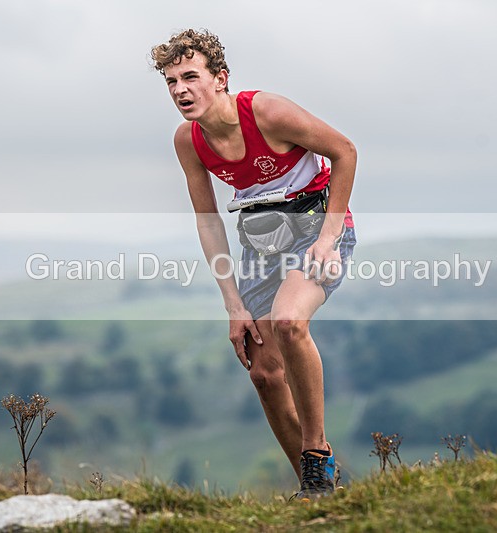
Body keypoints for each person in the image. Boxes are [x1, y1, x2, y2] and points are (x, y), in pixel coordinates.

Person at [150, 29, 357, 500]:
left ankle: (317, 455)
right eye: (171, 81)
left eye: (190, 77)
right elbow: (208, 221)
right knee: (263, 372)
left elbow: (345, 151)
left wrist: (328, 239)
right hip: (261, 245)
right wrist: (233, 304)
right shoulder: (189, 140)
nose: (180, 90)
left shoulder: (267, 112)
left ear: (220, 78)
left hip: (318, 231)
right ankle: (315, 489)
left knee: (289, 322)